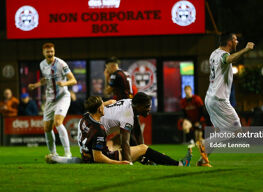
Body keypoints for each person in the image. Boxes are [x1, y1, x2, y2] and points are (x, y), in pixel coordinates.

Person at [46, 96, 192, 166]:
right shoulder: (102, 128)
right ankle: (179, 164)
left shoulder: (85, 118)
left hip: (85, 152)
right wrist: (126, 162)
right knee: (141, 149)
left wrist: (144, 153)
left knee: (141, 150)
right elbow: (124, 142)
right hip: (97, 156)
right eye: (147, 106)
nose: (149, 109)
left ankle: (147, 159)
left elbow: (136, 131)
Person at [204, 33, 254, 165]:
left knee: (220, 133)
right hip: (219, 100)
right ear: (230, 42)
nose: (237, 41)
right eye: (236, 39)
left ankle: (202, 160)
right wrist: (246, 49)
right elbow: (229, 59)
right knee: (236, 131)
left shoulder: (213, 53)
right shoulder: (222, 55)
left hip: (210, 98)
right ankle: (205, 144)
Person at [28, 42, 77, 158]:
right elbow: (46, 78)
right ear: (43, 53)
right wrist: (36, 85)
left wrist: (64, 83)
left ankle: (67, 153)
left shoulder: (61, 64)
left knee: (58, 122)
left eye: (52, 51)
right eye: (48, 52)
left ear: (54, 52)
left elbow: (73, 80)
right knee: (47, 128)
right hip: (50, 99)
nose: (50, 53)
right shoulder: (42, 64)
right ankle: (53, 153)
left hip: (62, 97)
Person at [103, 57, 143, 147]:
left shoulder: (115, 75)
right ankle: (142, 150)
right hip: (131, 103)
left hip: (123, 106)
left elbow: (107, 93)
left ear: (111, 65)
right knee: (136, 130)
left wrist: (106, 77)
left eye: (107, 67)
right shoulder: (126, 73)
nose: (107, 70)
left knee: (125, 130)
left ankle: (138, 151)